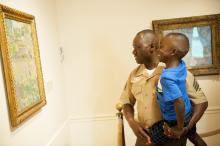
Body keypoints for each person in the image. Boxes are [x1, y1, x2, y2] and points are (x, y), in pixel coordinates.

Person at [119, 29, 208, 146]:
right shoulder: (134, 74)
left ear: (151, 47)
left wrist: (184, 129)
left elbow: (201, 102)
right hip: (144, 138)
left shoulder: (174, 73)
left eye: (137, 47)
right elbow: (126, 102)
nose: (133, 52)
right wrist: (132, 122)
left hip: (171, 138)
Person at [145, 32, 206, 146]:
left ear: (173, 52)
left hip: (174, 119)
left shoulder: (167, 78)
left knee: (153, 136)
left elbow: (179, 101)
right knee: (194, 136)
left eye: (161, 47)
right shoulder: (181, 65)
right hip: (188, 112)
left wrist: (179, 126)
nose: (157, 50)